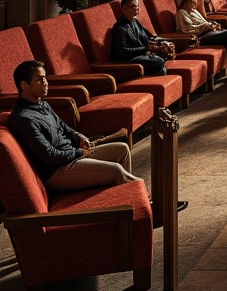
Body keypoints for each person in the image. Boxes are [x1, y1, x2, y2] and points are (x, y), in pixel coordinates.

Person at [8, 60, 143, 193]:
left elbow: (63, 127)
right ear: (24, 85)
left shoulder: (42, 104)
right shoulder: (24, 119)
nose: (46, 83)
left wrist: (78, 136)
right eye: (40, 79)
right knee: (116, 171)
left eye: (45, 78)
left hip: (71, 155)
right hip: (57, 171)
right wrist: (78, 152)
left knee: (122, 150)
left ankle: (125, 195)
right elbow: (49, 155)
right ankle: (141, 192)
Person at [175, 0, 227, 81]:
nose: (197, 2)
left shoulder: (194, 11)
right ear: (189, 0)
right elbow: (186, 30)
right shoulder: (181, 14)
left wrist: (212, 24)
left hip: (209, 32)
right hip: (200, 37)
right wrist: (204, 27)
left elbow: (204, 22)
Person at [111, 0, 172, 75]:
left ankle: (160, 71)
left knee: (166, 51)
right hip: (130, 60)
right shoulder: (119, 28)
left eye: (137, 6)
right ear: (124, 9)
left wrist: (162, 42)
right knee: (158, 61)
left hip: (143, 54)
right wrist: (145, 49)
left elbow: (149, 37)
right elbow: (123, 52)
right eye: (133, 6)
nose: (136, 8)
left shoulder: (136, 22)